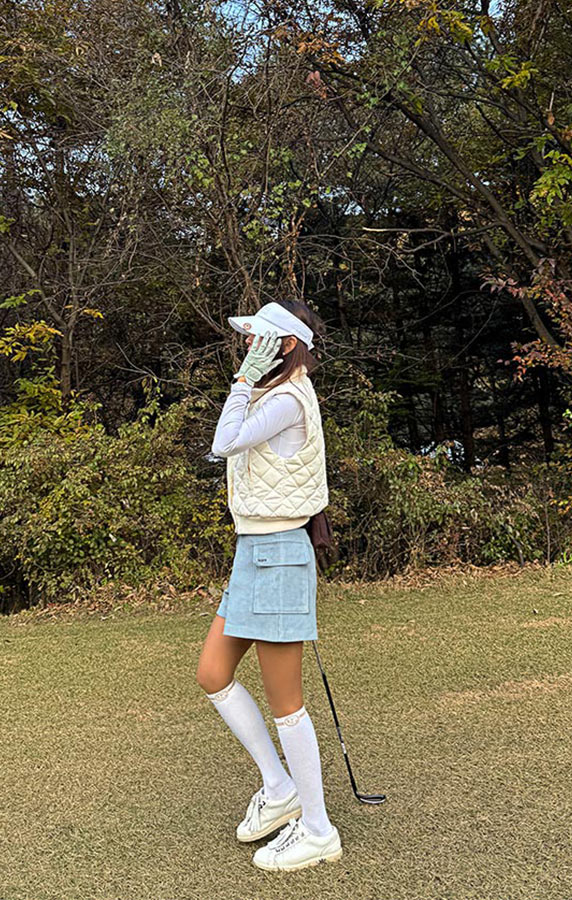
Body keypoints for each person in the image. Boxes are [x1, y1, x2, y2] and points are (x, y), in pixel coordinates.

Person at [196, 299, 342, 872]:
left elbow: (224, 442)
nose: (247, 346)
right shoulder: (273, 393)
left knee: (287, 705)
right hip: (254, 553)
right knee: (213, 673)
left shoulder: (286, 399)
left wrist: (240, 381)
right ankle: (280, 790)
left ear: (285, 345)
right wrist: (248, 382)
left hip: (278, 555)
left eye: (257, 339)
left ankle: (318, 830)